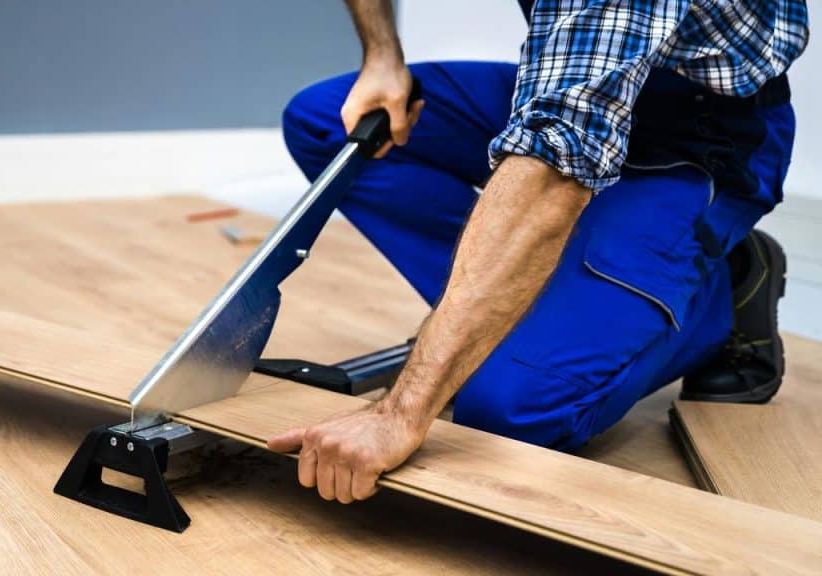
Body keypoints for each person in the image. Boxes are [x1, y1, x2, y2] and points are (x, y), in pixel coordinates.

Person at [267, 0, 810, 504]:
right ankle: (534, 304)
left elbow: (555, 166)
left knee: (513, 409)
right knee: (330, 123)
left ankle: (725, 286)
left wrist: (401, 414)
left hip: (696, 134)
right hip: (591, 86)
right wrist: (382, 54)